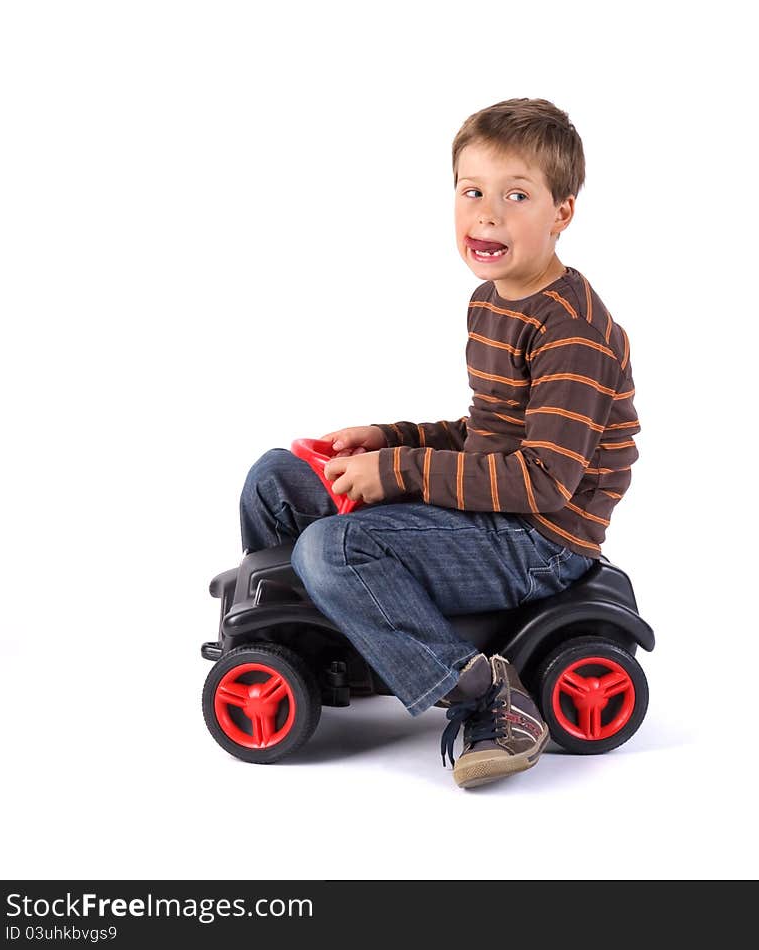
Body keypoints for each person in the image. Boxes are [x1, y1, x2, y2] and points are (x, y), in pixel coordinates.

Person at [240, 97, 641, 789]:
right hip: (490, 511)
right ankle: (324, 637)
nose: (487, 213)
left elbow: (542, 481)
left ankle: (486, 697)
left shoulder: (571, 332)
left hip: (538, 538)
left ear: (561, 213)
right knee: (277, 476)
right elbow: (484, 434)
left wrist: (400, 471)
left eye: (516, 195)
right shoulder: (493, 300)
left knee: (329, 546)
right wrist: (387, 439)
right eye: (472, 192)